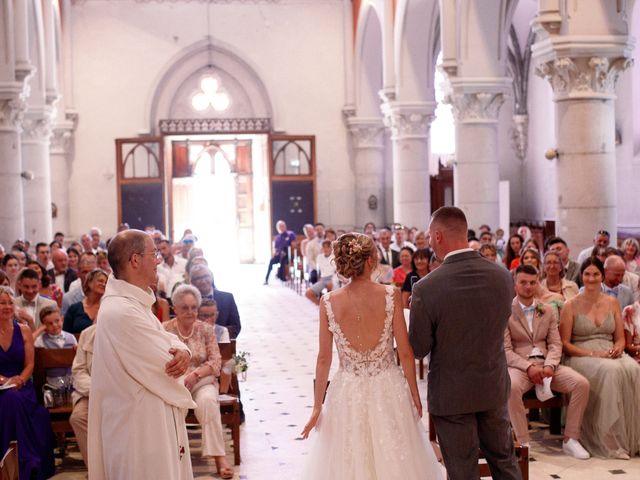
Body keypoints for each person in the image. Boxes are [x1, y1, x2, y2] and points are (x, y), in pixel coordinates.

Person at [301, 233, 442, 479]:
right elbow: (406, 353)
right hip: (388, 387)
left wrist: (316, 406)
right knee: (396, 457)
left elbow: (324, 359)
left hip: (347, 390)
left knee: (350, 458)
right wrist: (414, 393)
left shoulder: (328, 302)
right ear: (369, 262)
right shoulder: (390, 295)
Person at [410, 206, 521, 480]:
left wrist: (417, 313)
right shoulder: (503, 276)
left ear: (437, 236)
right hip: (492, 386)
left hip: (452, 393)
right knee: (504, 462)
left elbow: (419, 347)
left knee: (462, 470)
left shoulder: (426, 288)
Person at [88, 230, 196, 479]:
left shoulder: (133, 303)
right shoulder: (121, 311)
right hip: (138, 431)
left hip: (150, 422)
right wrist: (180, 353)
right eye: (154, 253)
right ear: (135, 260)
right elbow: (167, 363)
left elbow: (167, 339)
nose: (158, 259)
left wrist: (185, 350)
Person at [505, 265, 590, 458]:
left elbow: (555, 343)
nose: (528, 287)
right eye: (523, 282)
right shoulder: (505, 312)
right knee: (510, 387)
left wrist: (550, 364)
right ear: (515, 284)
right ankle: (523, 441)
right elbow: (506, 351)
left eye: (532, 282)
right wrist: (528, 367)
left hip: (547, 366)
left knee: (581, 384)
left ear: (538, 283)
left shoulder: (548, 310)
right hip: (520, 366)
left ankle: (571, 438)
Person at [559, 257, 640, 459]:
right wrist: (594, 354)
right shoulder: (570, 305)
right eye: (587, 274)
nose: (591, 278)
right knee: (610, 371)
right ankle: (610, 441)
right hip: (580, 354)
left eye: (595, 274)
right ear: (581, 276)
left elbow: (620, 338)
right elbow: (565, 345)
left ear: (602, 276)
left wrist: (618, 349)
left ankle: (632, 438)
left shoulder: (613, 302)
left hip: (610, 351)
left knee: (634, 369)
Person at [164, 285, 233, 479]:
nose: (190, 312)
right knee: (176, 408)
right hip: (174, 383)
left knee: (208, 402)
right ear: (175, 308)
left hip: (202, 381)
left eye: (194, 307)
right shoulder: (164, 329)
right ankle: (176, 459)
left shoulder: (205, 329)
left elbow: (215, 361)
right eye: (184, 308)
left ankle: (220, 458)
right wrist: (181, 377)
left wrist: (195, 375)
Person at [0, 286, 55, 479]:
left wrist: (21, 379)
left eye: (9, 303)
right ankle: (19, 460)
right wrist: (4, 380)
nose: (6, 307)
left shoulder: (22, 330)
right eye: (1, 303)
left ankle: (21, 461)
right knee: (9, 399)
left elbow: (30, 363)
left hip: (22, 385)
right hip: (1, 385)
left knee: (15, 399)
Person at [70, 318, 97, 467]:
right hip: (91, 391)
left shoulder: (128, 333)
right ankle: (95, 469)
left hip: (121, 393)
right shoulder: (87, 334)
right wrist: (95, 389)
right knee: (78, 417)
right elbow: (79, 369)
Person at [189, 264, 241, 338]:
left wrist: (222, 339)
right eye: (198, 278)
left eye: (205, 276)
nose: (203, 281)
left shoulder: (227, 298)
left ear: (212, 277)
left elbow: (236, 326)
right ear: (192, 282)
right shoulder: (189, 301)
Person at [63, 269, 107, 334]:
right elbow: (66, 335)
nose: (104, 284)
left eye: (106, 283)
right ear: (89, 283)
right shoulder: (74, 309)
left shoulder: (106, 308)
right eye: (100, 281)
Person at [264, 220, 297, 284]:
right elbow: (276, 249)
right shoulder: (277, 237)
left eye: (283, 226)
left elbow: (294, 245)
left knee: (284, 259)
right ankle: (267, 278)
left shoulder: (290, 234)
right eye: (280, 226)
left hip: (288, 255)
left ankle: (281, 276)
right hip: (279, 255)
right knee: (271, 261)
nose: (282, 227)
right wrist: (275, 254)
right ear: (278, 228)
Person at [305, 240, 336, 305]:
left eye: (328, 247)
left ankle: (332, 307)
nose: (326, 249)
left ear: (331, 248)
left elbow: (336, 272)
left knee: (330, 288)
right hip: (323, 279)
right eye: (324, 247)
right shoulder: (319, 257)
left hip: (333, 278)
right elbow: (319, 270)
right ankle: (322, 306)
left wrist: (332, 280)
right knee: (308, 293)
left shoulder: (335, 257)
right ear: (322, 249)